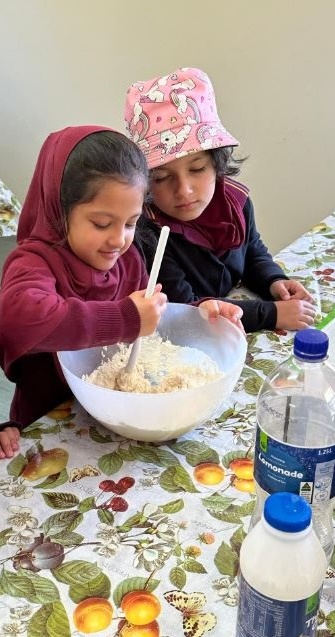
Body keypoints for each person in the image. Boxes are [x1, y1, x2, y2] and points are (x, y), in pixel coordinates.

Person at [0, 126, 243, 459]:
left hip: (117, 426)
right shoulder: (34, 262)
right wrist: (124, 318)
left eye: (131, 223)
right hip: (45, 426)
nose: (118, 239)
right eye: (102, 223)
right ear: (60, 209)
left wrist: (203, 311)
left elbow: (150, 325)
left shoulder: (126, 259)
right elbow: (21, 318)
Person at [124, 67, 315, 334]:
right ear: (144, 181)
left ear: (217, 163)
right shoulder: (148, 231)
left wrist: (274, 281)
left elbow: (253, 253)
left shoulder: (236, 201)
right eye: (162, 177)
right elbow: (184, 309)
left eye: (197, 169)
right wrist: (270, 314)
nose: (184, 190)